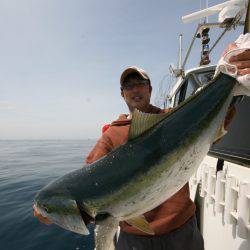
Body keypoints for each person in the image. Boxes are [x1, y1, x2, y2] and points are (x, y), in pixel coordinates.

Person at [33, 44, 250, 249]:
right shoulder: (110, 136)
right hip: (136, 241)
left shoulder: (172, 118)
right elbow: (89, 181)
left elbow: (211, 136)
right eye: (129, 86)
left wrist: (230, 83)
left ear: (150, 88)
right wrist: (54, 212)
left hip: (182, 229)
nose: (135, 90)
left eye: (140, 84)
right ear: (122, 93)